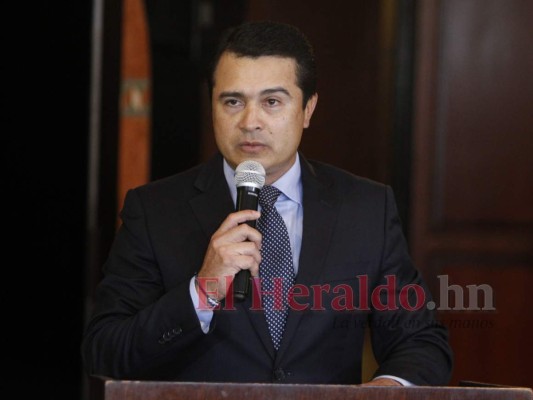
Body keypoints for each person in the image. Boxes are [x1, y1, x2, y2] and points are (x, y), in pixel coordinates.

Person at [82, 20, 452, 386]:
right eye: (232, 101)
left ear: (307, 109)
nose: (250, 121)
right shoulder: (154, 211)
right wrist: (202, 291)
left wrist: (383, 393)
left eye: (272, 102)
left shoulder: (366, 208)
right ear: (211, 106)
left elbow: (420, 342)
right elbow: (105, 351)